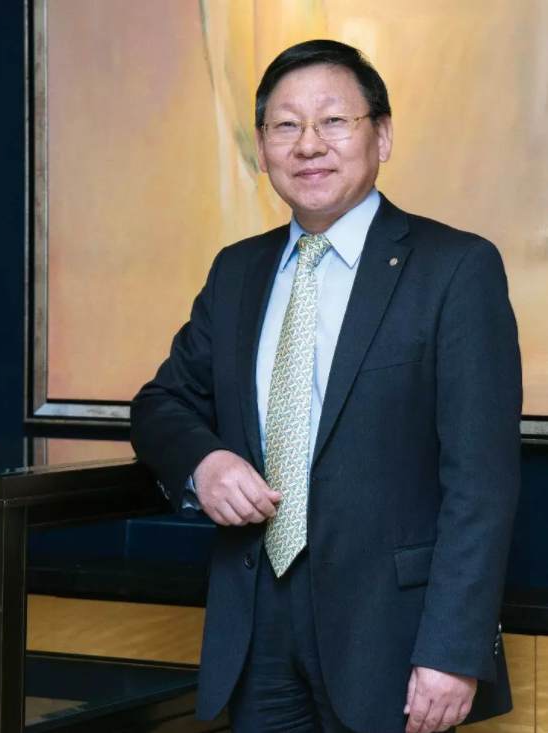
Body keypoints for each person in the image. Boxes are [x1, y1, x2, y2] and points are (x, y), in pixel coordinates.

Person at [130, 39, 522, 733]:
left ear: (383, 135)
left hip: (393, 633)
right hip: (255, 623)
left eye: (334, 121)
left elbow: (481, 481)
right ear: (262, 148)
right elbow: (161, 403)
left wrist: (452, 650)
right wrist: (205, 461)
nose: (308, 144)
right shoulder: (237, 272)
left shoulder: (455, 269)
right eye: (286, 125)